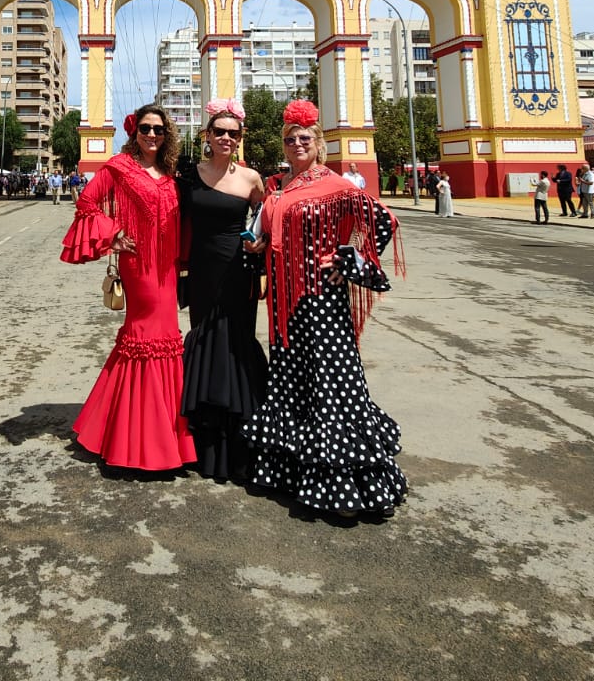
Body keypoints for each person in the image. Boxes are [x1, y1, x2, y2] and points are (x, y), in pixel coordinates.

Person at [243, 99, 407, 518]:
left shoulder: (337, 185)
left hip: (321, 303)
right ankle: (294, 474)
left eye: (304, 139)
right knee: (292, 381)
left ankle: (347, 486)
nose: (297, 144)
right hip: (282, 305)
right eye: (290, 139)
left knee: (332, 384)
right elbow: (271, 236)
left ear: (318, 144)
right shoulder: (278, 187)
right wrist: (258, 248)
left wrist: (348, 261)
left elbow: (383, 223)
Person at [60, 102, 195, 473]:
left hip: (167, 267)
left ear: (167, 135)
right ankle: (139, 437)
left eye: (159, 130)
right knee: (143, 335)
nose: (152, 135)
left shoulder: (171, 172)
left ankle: (141, 429)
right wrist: (114, 235)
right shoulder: (119, 168)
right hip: (139, 266)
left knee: (164, 336)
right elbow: (87, 201)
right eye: (146, 129)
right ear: (134, 132)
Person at [177, 98, 268, 483]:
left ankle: (240, 440)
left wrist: (260, 245)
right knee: (204, 339)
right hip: (201, 272)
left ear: (240, 138)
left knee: (236, 342)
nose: (227, 138)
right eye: (220, 132)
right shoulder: (187, 174)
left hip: (238, 271)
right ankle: (203, 440)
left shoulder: (251, 179)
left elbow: (268, 222)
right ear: (207, 137)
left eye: (234, 133)